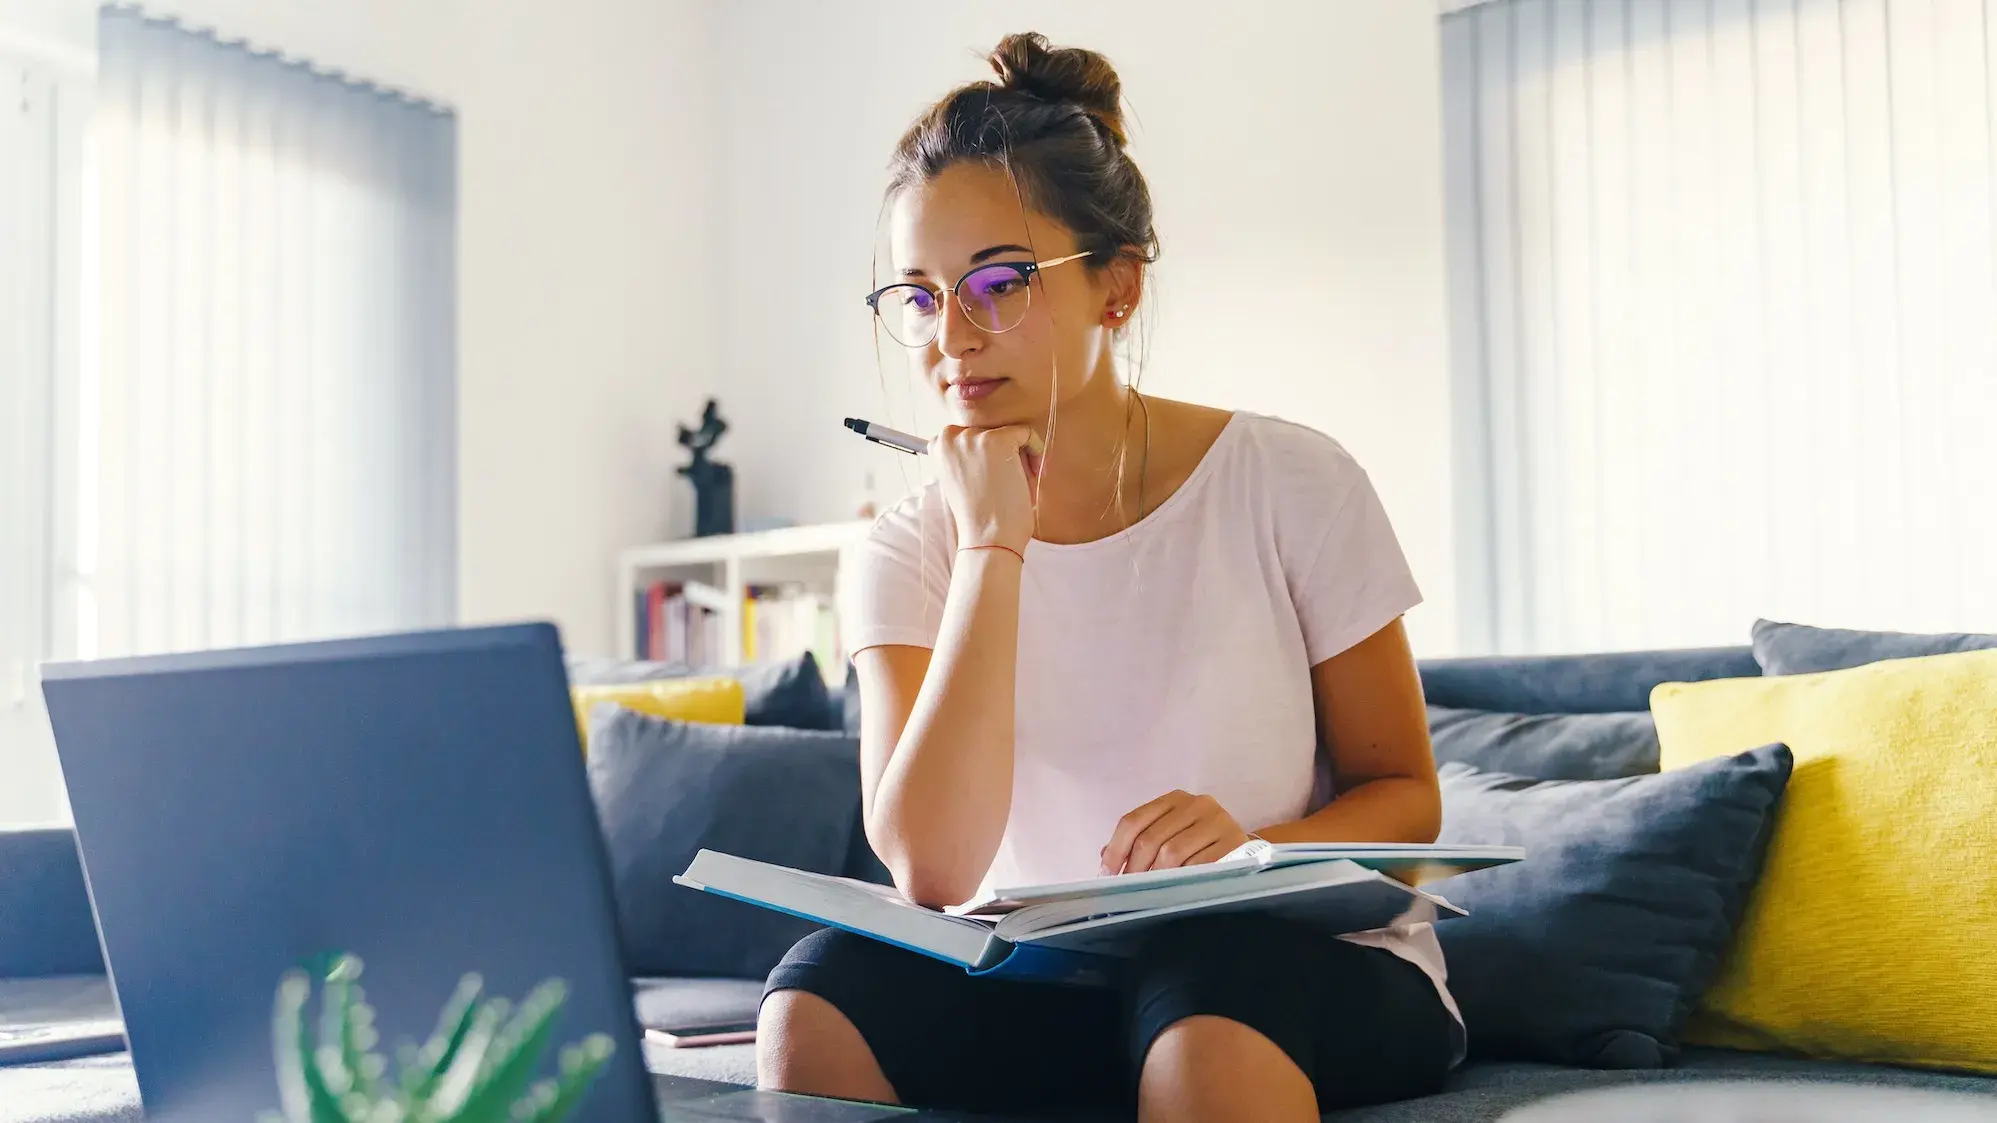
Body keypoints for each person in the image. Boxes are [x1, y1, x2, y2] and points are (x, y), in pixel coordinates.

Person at [757, 32, 1459, 1123]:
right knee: (816, 995)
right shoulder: (904, 549)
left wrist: (1252, 846)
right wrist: (993, 546)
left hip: (1286, 967)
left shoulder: (1291, 480)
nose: (948, 338)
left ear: (1115, 291)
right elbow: (933, 873)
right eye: (917, 295)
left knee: (1208, 989)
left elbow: (1406, 806)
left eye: (995, 282)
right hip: (1053, 982)